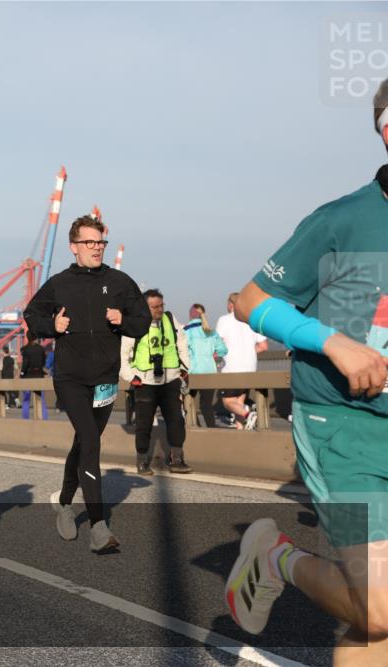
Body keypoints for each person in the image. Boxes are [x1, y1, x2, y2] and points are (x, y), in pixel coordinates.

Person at [224, 81, 388, 664]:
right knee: (379, 607)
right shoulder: (343, 220)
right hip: (341, 425)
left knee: (378, 623)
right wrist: (334, 342)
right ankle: (276, 559)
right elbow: (251, 301)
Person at [24, 215, 151, 553]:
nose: (97, 248)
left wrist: (123, 320)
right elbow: (31, 317)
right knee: (92, 441)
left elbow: (143, 321)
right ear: (74, 246)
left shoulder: (121, 281)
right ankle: (99, 527)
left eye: (101, 243)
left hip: (105, 378)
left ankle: (65, 502)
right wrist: (52, 324)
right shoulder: (59, 283)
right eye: (90, 243)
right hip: (70, 378)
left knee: (85, 442)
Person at [120, 289, 192, 475]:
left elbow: (182, 341)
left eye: (161, 305)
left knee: (176, 421)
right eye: (154, 307)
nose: (159, 309)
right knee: (143, 425)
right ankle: (142, 461)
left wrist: (184, 368)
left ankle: (177, 459)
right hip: (145, 383)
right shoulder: (134, 324)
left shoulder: (169, 319)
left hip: (170, 380)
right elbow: (123, 353)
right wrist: (131, 377)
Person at [216, 291, 268, 429]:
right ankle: (241, 431)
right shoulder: (252, 320)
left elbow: (218, 345)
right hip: (250, 368)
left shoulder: (224, 320)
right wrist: (250, 351)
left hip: (231, 368)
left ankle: (248, 414)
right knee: (239, 401)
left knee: (228, 402)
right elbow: (263, 346)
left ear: (230, 305)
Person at [184, 303, 228, 427]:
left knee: (187, 403)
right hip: (209, 372)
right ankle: (212, 430)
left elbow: (180, 351)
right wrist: (212, 353)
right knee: (206, 405)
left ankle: (196, 428)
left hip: (192, 373)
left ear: (190, 315)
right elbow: (223, 350)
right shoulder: (211, 331)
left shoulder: (185, 331)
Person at [20, 332, 48, 420]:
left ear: (27, 338)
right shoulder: (41, 349)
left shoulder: (25, 349)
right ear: (36, 338)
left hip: (28, 376)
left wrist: (22, 374)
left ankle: (25, 419)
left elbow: (25, 364)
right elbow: (44, 362)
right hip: (39, 375)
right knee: (41, 399)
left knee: (26, 400)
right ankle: (44, 418)